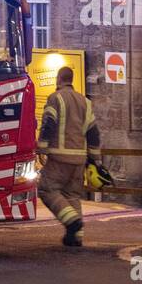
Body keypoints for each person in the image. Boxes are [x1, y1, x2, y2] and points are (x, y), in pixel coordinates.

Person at [37, 65, 102, 248]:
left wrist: (42, 148)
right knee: (72, 195)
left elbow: (49, 123)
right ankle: (76, 237)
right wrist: (95, 159)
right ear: (71, 80)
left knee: (46, 189)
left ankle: (72, 221)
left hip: (59, 157)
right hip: (79, 159)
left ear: (58, 79)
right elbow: (93, 133)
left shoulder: (55, 98)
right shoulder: (85, 102)